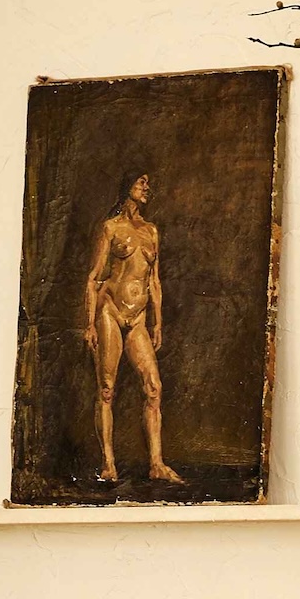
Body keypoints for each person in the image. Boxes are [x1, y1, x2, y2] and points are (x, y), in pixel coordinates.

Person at [81, 168, 181, 484]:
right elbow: (94, 277)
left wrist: (158, 322)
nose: (147, 187)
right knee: (107, 388)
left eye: (148, 182)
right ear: (128, 186)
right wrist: (89, 324)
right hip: (110, 312)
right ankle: (108, 463)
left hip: (137, 318)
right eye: (142, 182)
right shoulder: (111, 228)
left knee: (154, 388)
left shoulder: (151, 231)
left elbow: (154, 281)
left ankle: (156, 463)